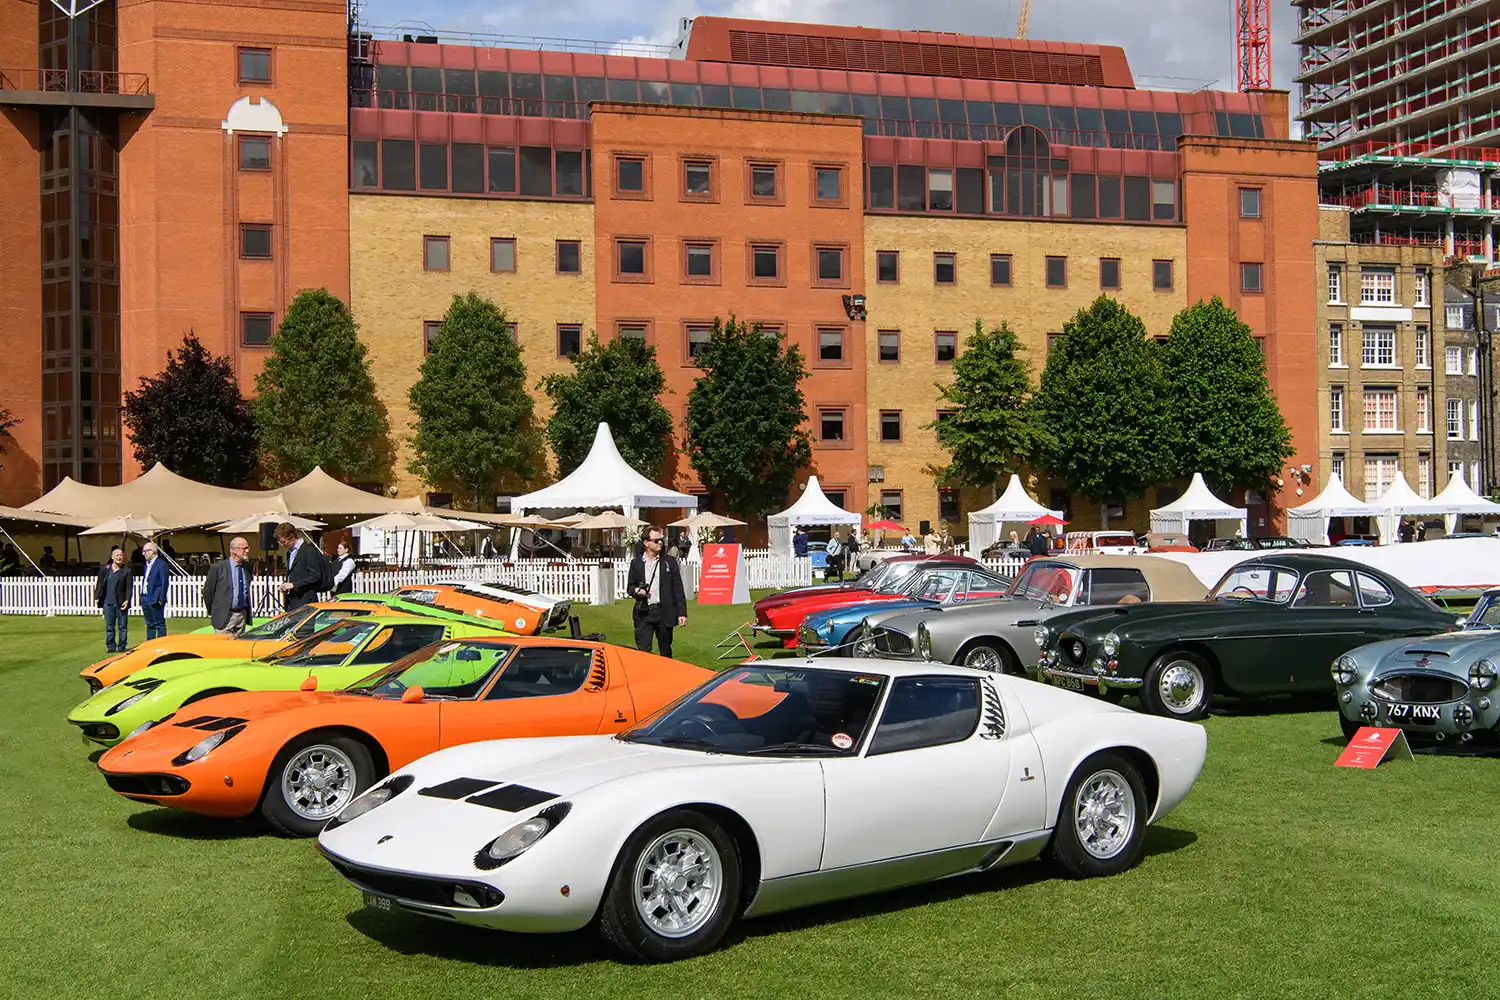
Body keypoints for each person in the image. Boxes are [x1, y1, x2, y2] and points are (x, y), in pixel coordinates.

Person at [626, 527, 687, 657]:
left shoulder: (669, 562)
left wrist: (682, 613)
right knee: (643, 653)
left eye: (661, 540)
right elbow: (630, 587)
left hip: (664, 613)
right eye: (655, 540)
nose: (660, 543)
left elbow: (678, 588)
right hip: (644, 613)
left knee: (665, 652)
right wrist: (637, 591)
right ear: (646, 543)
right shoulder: (636, 563)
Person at [203, 535, 254, 635]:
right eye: (244, 548)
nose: (247, 551)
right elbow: (208, 592)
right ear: (233, 550)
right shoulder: (218, 568)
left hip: (241, 616)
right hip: (224, 617)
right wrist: (215, 612)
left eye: (247, 548)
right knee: (223, 645)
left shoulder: (247, 567)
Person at [95, 545, 133, 652]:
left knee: (122, 626)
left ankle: (122, 646)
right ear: (112, 557)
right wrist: (97, 596)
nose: (119, 557)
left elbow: (129, 587)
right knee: (109, 627)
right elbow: (100, 584)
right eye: (117, 555)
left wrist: (127, 600)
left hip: (121, 602)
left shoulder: (127, 571)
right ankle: (110, 646)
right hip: (108, 603)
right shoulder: (105, 570)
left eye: (121, 555)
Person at [278, 522, 323, 612]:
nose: (282, 545)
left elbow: (315, 576)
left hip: (306, 601)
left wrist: (293, 585)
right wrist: (286, 585)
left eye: (283, 541)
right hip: (292, 601)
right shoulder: (289, 553)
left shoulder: (309, 551)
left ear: (291, 537)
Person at [140, 540, 169, 640]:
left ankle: (161, 643)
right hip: (145, 597)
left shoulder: (161, 564)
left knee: (159, 623)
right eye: (143, 551)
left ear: (153, 551)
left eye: (146, 551)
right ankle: (150, 643)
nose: (143, 554)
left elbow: (164, 582)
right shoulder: (147, 565)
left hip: (155, 598)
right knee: (149, 624)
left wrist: (161, 598)